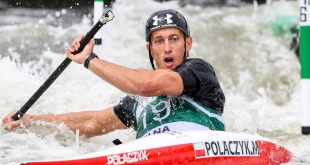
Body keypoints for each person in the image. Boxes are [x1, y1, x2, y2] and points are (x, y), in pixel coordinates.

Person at [2, 9, 225, 138]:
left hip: (202, 150)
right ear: (150, 49)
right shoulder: (137, 103)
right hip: (153, 159)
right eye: (159, 40)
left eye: (174, 39)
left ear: (188, 43)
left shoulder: (199, 72)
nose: (167, 47)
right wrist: (31, 120)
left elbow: (145, 84)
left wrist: (89, 60)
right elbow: (93, 122)